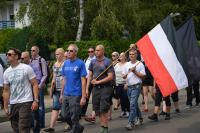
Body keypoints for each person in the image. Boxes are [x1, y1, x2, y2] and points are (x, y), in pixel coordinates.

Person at [3, 48, 39, 133]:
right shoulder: (6, 72)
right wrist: (5, 106)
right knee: (15, 128)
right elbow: (6, 90)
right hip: (13, 103)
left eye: (9, 54)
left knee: (23, 127)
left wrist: (36, 100)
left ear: (16, 56)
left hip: (26, 102)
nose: (7, 56)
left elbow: (35, 84)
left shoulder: (26, 68)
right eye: (7, 54)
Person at [86, 44, 114, 133]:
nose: (96, 52)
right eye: (95, 50)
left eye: (98, 50)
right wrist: (87, 88)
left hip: (106, 88)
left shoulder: (108, 61)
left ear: (103, 51)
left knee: (103, 108)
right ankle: (103, 127)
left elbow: (110, 77)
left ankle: (105, 129)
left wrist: (98, 82)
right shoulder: (93, 62)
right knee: (97, 109)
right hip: (95, 89)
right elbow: (90, 75)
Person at [60, 44, 87, 133]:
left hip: (76, 94)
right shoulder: (66, 63)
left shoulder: (80, 63)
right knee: (64, 115)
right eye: (67, 50)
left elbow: (83, 80)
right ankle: (78, 128)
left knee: (74, 116)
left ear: (76, 52)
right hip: (66, 94)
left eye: (71, 51)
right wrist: (61, 94)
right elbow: (64, 79)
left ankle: (75, 129)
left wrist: (83, 97)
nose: (68, 52)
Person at [123, 49, 145, 130]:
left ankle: (130, 123)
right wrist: (125, 78)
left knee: (132, 105)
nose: (131, 56)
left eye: (133, 54)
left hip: (136, 86)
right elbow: (124, 75)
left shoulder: (140, 64)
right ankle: (140, 118)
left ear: (136, 55)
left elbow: (143, 76)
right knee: (134, 104)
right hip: (129, 87)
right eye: (130, 54)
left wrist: (135, 71)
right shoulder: (126, 64)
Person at [44, 48, 65, 132]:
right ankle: (51, 127)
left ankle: (70, 125)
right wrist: (51, 89)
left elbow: (65, 78)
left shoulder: (66, 64)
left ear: (63, 54)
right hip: (56, 89)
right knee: (55, 107)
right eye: (56, 54)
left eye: (58, 54)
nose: (57, 55)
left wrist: (63, 92)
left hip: (65, 89)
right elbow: (54, 77)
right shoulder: (55, 64)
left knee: (66, 110)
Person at [21, 51, 40, 133]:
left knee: (35, 113)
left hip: (33, 92)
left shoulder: (33, 67)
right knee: (27, 115)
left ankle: (36, 130)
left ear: (28, 58)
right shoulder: (21, 67)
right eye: (21, 58)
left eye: (23, 58)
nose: (21, 59)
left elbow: (37, 80)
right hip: (25, 94)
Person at [30, 45, 48, 128]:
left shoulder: (41, 60)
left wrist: (40, 85)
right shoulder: (30, 60)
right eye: (31, 50)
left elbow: (45, 74)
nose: (32, 52)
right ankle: (34, 123)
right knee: (32, 104)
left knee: (40, 105)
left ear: (37, 51)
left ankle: (41, 124)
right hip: (31, 86)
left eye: (34, 50)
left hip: (38, 85)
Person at [83, 47, 97, 123]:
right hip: (86, 80)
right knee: (86, 97)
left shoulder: (96, 59)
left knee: (94, 98)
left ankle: (93, 115)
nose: (90, 52)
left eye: (92, 51)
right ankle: (83, 113)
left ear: (94, 52)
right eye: (89, 51)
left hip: (94, 80)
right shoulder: (85, 60)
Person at [114, 52, 130, 118]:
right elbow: (114, 74)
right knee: (121, 98)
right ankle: (123, 110)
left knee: (126, 97)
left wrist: (127, 83)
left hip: (125, 84)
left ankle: (128, 111)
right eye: (120, 55)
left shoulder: (127, 64)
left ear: (125, 57)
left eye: (122, 55)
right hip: (118, 84)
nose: (120, 57)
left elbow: (129, 74)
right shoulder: (116, 65)